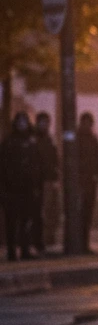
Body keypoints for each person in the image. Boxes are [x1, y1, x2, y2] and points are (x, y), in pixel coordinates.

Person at [0, 112, 42, 261]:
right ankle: (12, 251)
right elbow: (3, 166)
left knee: (26, 221)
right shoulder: (9, 143)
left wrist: (36, 185)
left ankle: (25, 250)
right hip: (11, 189)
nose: (22, 124)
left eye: (24, 121)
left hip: (28, 189)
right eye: (19, 121)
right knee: (11, 222)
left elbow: (37, 166)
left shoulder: (32, 142)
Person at [77, 112, 98, 252]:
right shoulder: (76, 139)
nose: (87, 126)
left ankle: (84, 244)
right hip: (78, 183)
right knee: (80, 214)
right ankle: (79, 244)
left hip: (90, 182)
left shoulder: (94, 140)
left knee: (87, 215)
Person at [33, 111, 59, 255]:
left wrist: (55, 175)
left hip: (49, 180)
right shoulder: (34, 140)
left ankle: (47, 240)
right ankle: (39, 241)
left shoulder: (50, 140)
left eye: (46, 122)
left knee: (50, 212)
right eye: (42, 122)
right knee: (39, 213)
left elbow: (54, 159)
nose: (44, 125)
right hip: (37, 181)